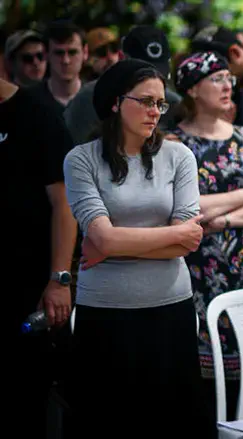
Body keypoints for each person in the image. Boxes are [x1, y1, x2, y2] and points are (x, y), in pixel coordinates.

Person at [63, 59, 213, 438]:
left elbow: (190, 239)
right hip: (106, 315)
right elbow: (101, 238)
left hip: (169, 311)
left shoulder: (179, 157)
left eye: (160, 104)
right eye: (145, 101)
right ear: (115, 102)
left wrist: (113, 245)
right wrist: (162, 239)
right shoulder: (81, 159)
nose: (155, 112)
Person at [167, 50, 243, 420]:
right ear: (193, 90)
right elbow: (185, 209)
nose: (228, 85)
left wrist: (227, 218)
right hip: (200, 268)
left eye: (230, 78)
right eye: (217, 79)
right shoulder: (175, 145)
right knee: (204, 376)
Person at [3, 74, 78, 439]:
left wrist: (59, 279)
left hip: (26, 285)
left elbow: (65, 205)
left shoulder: (37, 114)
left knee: (25, 404)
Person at [63, 25, 182, 146]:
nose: (151, 80)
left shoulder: (174, 103)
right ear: (122, 58)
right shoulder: (87, 98)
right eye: (142, 74)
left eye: (158, 73)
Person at [28, 21, 87, 113]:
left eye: (72, 52)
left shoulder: (97, 99)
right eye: (58, 53)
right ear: (45, 54)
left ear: (85, 52)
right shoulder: (29, 102)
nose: (66, 60)